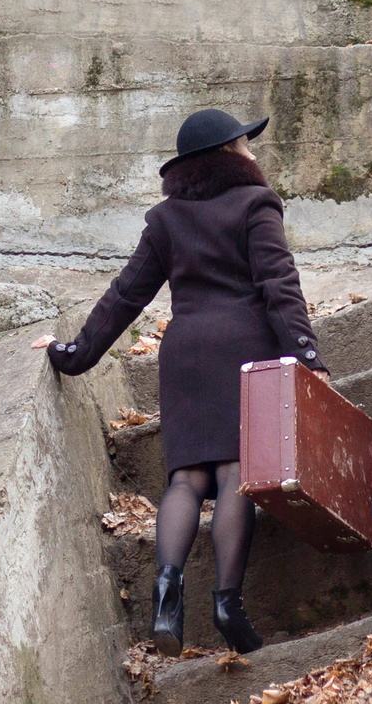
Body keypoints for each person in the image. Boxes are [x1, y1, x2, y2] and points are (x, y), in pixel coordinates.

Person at [31, 107, 326, 654]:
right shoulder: (256, 203)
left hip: (185, 355)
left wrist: (71, 353)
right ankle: (227, 604)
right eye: (244, 145)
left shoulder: (165, 220)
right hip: (244, 351)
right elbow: (279, 285)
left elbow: (126, 295)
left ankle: (167, 594)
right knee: (238, 473)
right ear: (225, 156)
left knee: (186, 481)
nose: (253, 153)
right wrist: (308, 357)